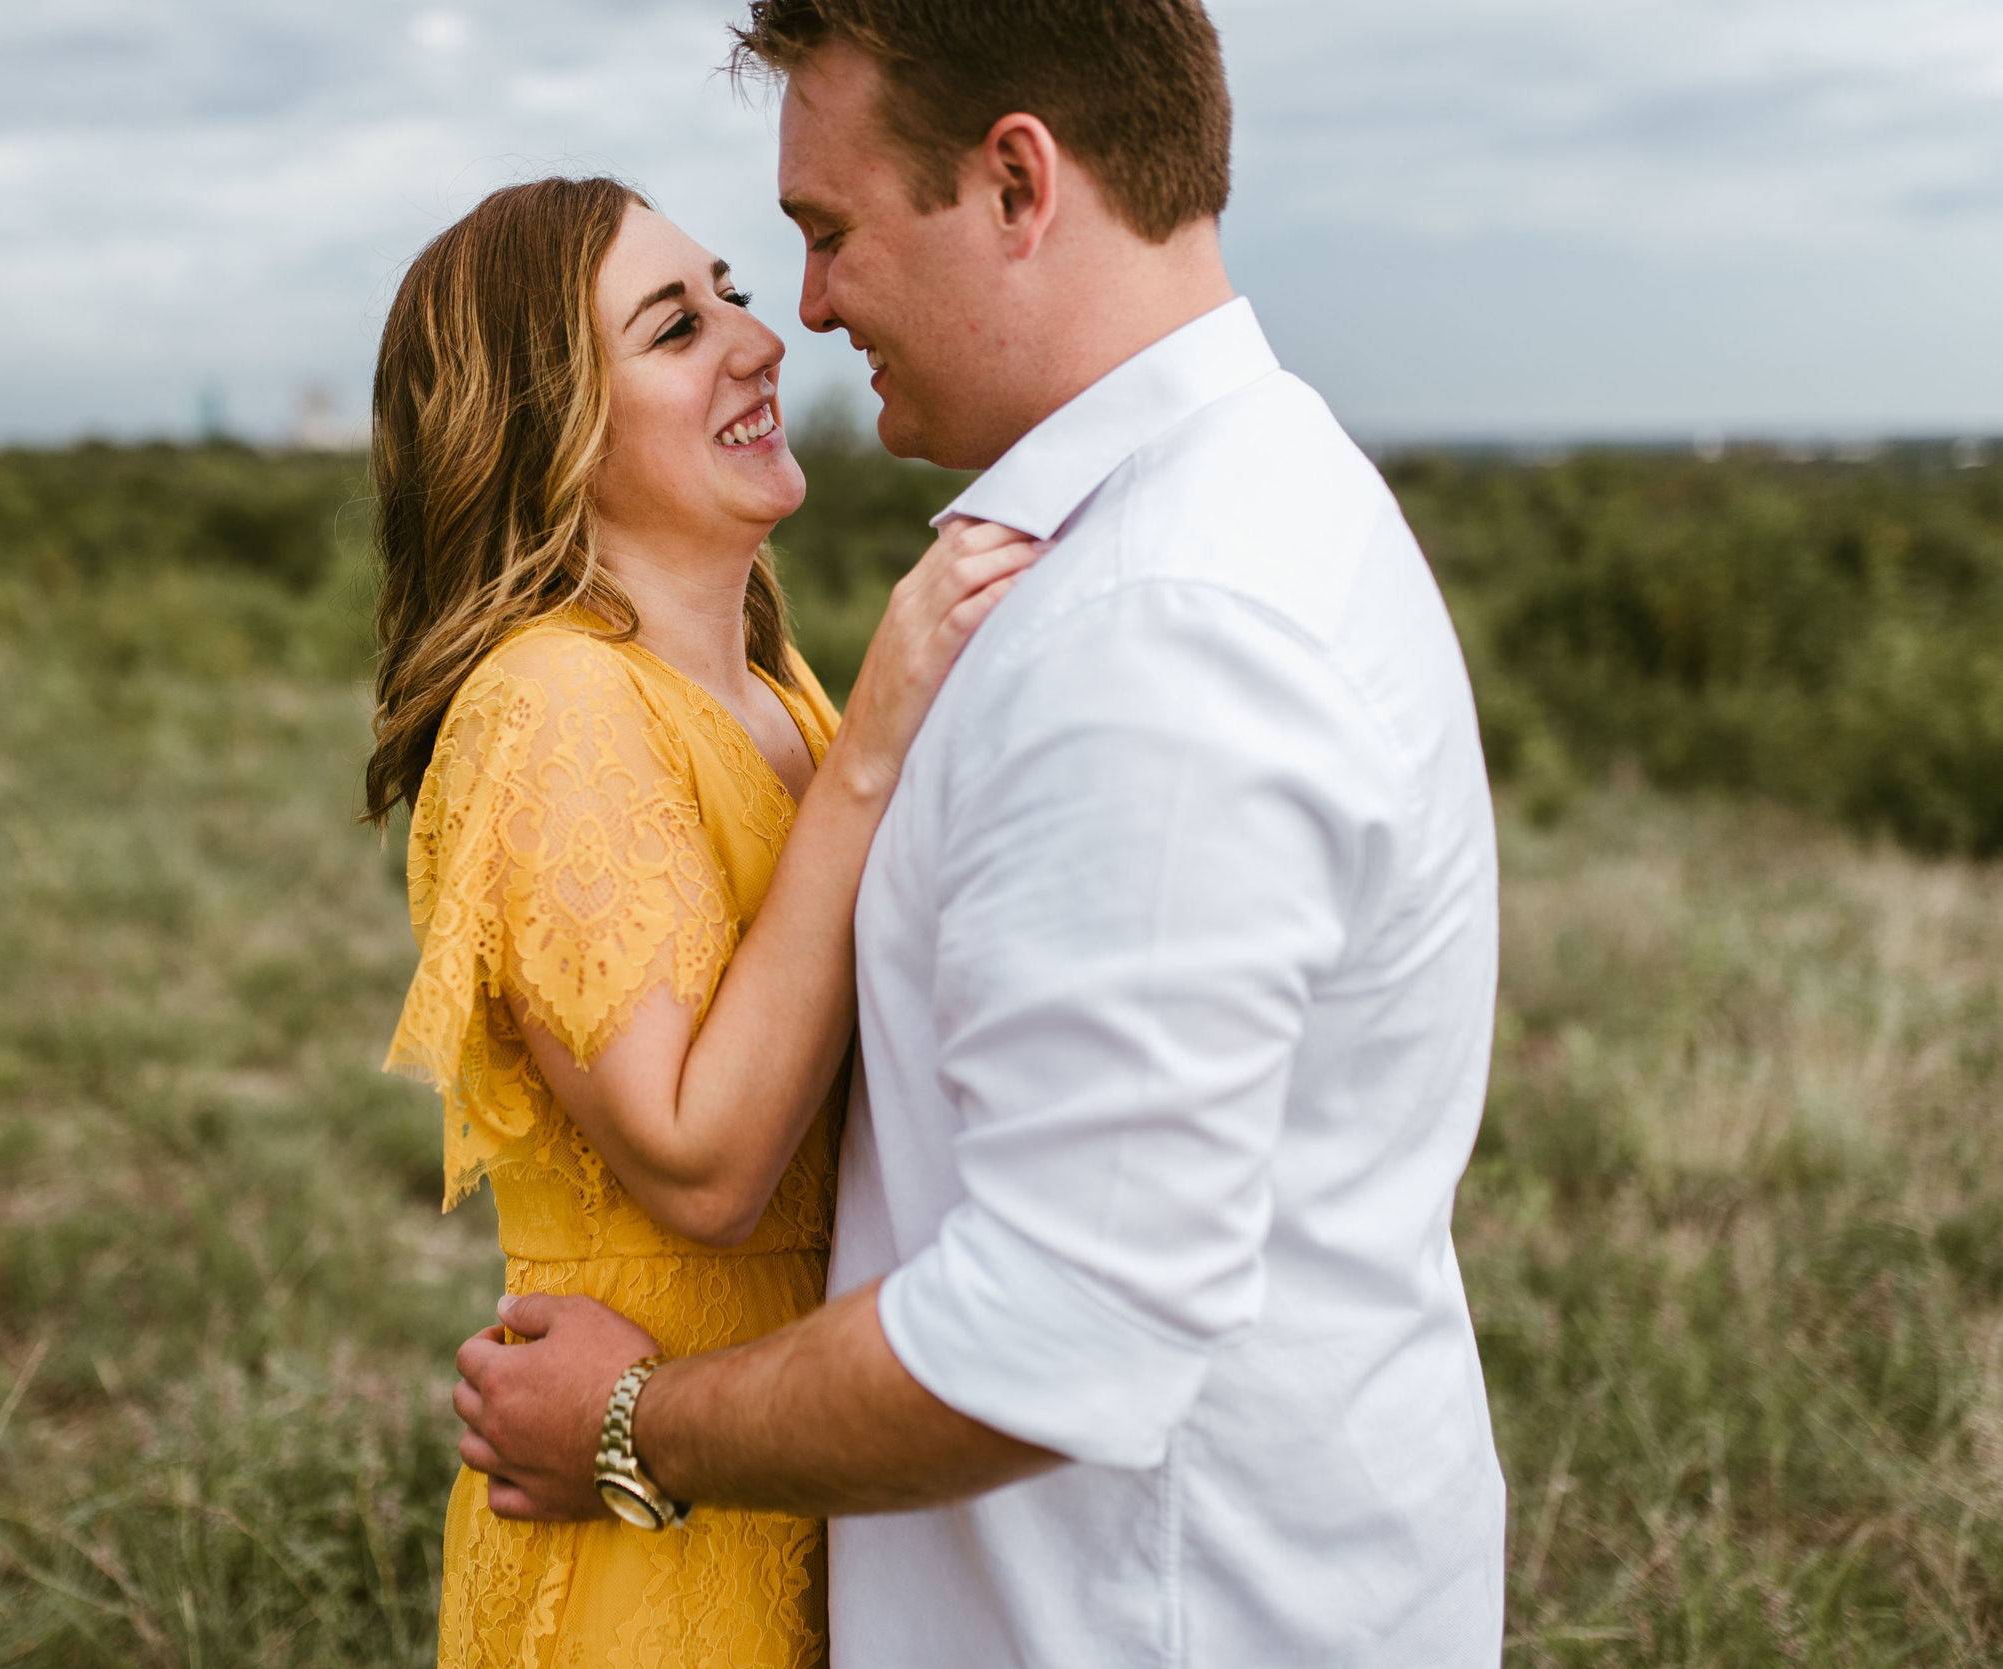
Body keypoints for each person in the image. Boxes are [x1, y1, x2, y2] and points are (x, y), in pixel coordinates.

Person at [447, 2, 1510, 1665]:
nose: (801, 309)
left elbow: (1061, 1325)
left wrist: (637, 1426)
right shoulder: (1179, 530)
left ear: (1019, 184)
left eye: (824, 233)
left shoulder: (1163, 628)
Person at [368, 176, 1036, 1666]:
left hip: (796, 1458)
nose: (760, 338)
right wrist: (877, 747)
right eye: (678, 326)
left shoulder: (773, 692)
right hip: (636, 1527)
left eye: (729, 287)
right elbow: (704, 1156)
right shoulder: (549, 702)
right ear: (557, 431)